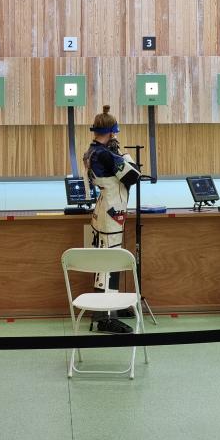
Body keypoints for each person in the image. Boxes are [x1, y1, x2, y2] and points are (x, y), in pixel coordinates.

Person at [83, 105, 140, 333]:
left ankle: (108, 308)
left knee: (104, 261)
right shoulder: (106, 154)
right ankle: (106, 317)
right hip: (111, 211)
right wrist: (124, 155)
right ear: (112, 132)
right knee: (109, 263)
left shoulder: (92, 150)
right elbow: (133, 175)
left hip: (104, 209)